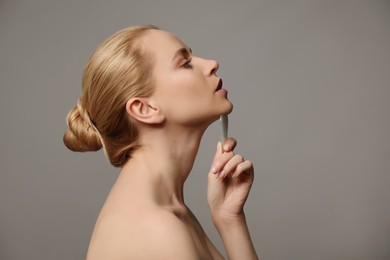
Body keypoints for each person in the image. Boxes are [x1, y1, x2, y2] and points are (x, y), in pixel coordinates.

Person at [63, 25, 258, 260]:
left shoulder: (169, 211)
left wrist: (229, 220)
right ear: (144, 109)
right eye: (184, 63)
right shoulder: (157, 229)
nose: (212, 63)